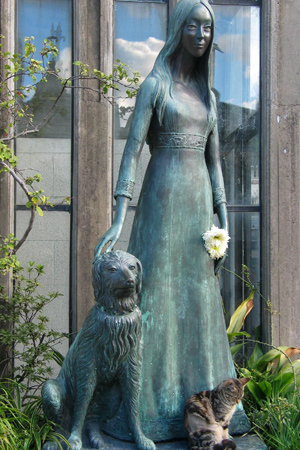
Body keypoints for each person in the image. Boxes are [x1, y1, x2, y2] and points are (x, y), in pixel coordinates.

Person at [95, 0, 249, 441]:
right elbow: (131, 152)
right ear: (179, 28)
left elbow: (215, 163)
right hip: (161, 204)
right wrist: (119, 216)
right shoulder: (154, 87)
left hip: (198, 208)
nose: (202, 35)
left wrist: (222, 216)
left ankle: (205, 412)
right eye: (194, 26)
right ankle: (148, 410)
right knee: (157, 299)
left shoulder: (208, 96)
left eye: (208, 28)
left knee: (199, 302)